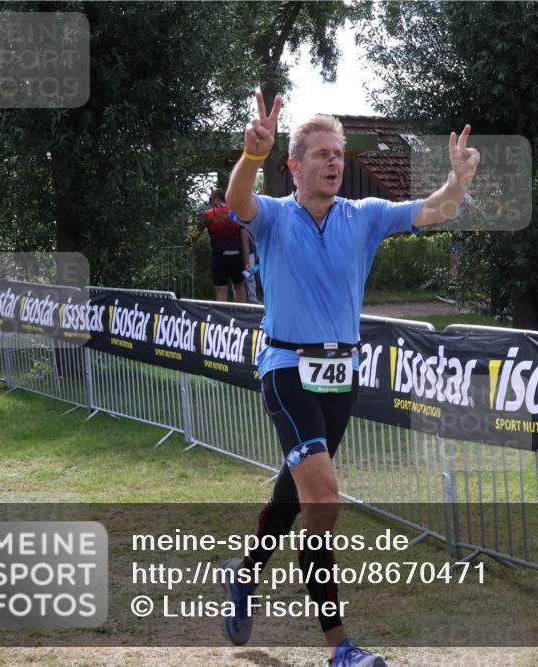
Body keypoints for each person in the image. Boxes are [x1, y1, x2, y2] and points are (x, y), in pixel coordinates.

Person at [217, 91, 480, 667]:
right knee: (325, 497)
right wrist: (249, 155)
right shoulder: (276, 216)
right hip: (286, 368)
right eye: (321, 154)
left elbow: (433, 210)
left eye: (338, 153)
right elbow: (237, 200)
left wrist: (458, 182)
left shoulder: (363, 217)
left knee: (299, 496)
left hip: (342, 374)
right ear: (296, 165)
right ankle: (340, 647)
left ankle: (243, 575)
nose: (335, 162)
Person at [190, 188, 250, 302]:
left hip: (219, 257)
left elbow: (194, 235)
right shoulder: (236, 214)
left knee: (221, 291)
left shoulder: (207, 215)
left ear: (216, 199)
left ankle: (222, 319)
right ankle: (239, 316)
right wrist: (247, 261)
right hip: (237, 257)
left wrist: (188, 244)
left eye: (211, 199)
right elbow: (245, 239)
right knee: (239, 287)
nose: (210, 202)